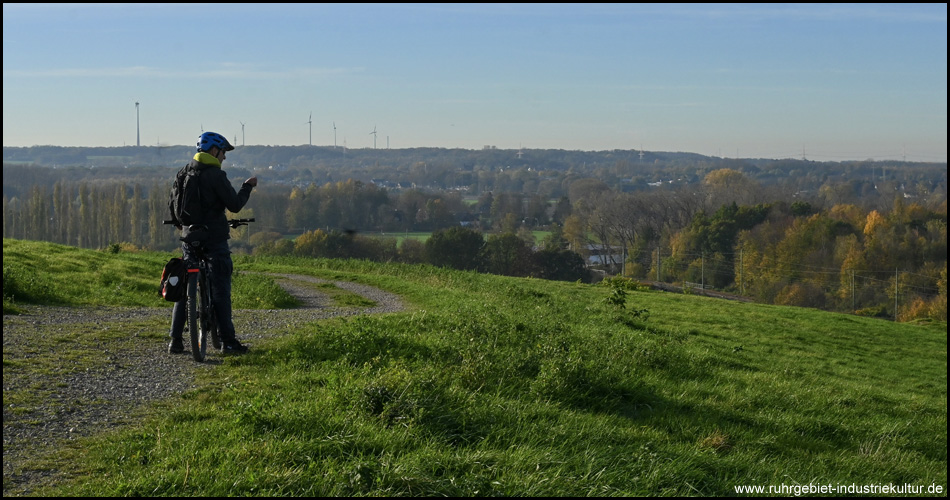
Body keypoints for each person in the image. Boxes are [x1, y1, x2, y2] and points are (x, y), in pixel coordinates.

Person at [168, 131, 257, 355]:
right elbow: (235, 204)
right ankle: (228, 342)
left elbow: (173, 206)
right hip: (214, 238)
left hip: (190, 238)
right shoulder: (216, 176)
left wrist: (184, 226)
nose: (224, 157)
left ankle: (175, 341)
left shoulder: (183, 172)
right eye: (223, 152)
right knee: (220, 289)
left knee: (186, 288)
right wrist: (247, 187)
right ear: (214, 151)